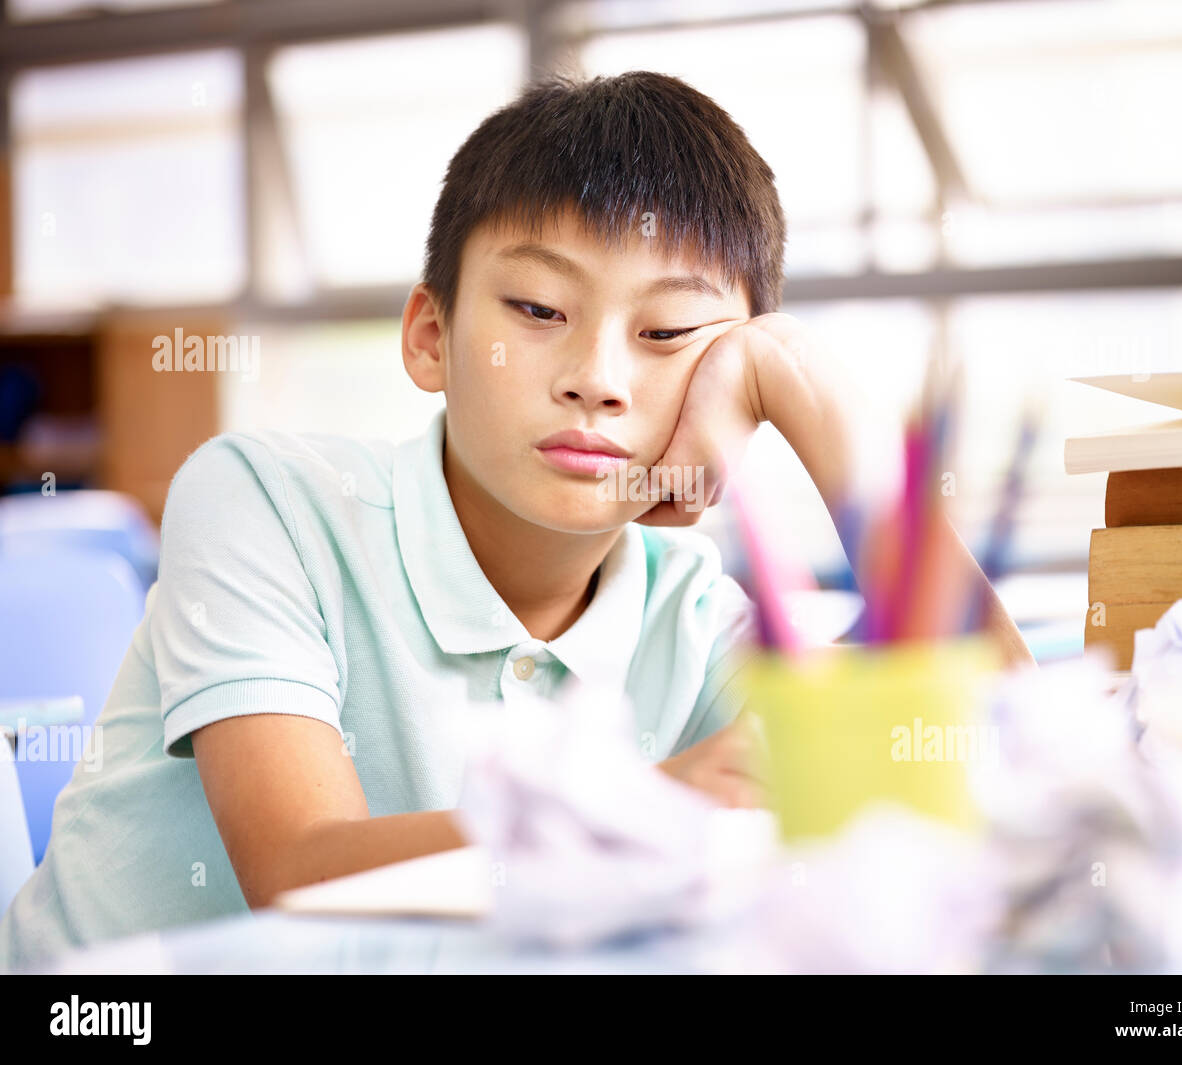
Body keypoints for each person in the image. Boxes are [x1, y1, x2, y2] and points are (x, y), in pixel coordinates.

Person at [0, 70, 1030, 970]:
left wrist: (808, 390)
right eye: (538, 311)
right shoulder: (261, 498)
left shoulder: (691, 617)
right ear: (430, 336)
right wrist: (656, 809)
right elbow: (300, 871)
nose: (597, 379)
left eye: (669, 332)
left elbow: (1012, 758)